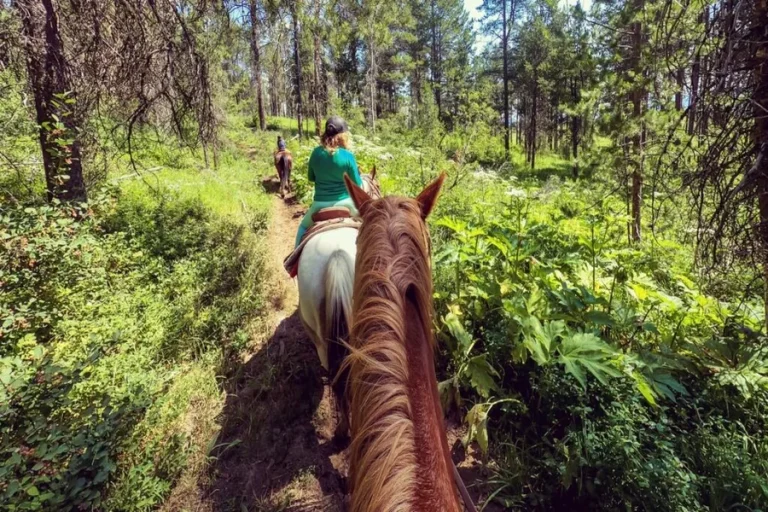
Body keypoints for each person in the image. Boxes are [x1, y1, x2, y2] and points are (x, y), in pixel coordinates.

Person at [295, 116, 363, 247]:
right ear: (343, 136)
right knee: (370, 227)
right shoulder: (348, 156)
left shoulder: (315, 153)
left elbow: (311, 178)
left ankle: (292, 262)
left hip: (319, 205)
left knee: (303, 227)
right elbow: (358, 185)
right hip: (347, 204)